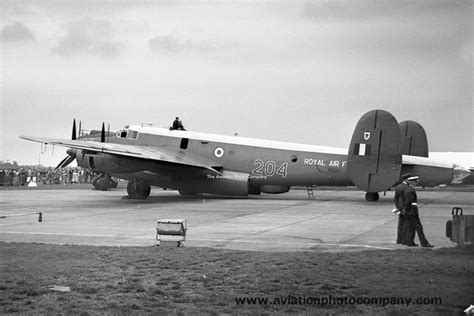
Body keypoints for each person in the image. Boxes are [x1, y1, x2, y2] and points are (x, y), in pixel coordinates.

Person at [403, 176, 434, 248]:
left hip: (409, 210)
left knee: (411, 227)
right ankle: (424, 243)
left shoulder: (408, 189)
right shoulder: (411, 190)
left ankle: (410, 242)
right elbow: (409, 201)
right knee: (419, 227)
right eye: (415, 181)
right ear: (411, 182)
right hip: (412, 210)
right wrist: (409, 210)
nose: (416, 183)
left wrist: (406, 210)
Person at [393, 176, 410, 245]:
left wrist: (398, 207)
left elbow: (396, 198)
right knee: (406, 225)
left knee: (400, 224)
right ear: (406, 180)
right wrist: (405, 208)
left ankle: (399, 239)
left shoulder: (398, 186)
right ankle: (404, 240)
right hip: (406, 208)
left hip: (400, 207)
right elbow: (407, 200)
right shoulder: (407, 188)